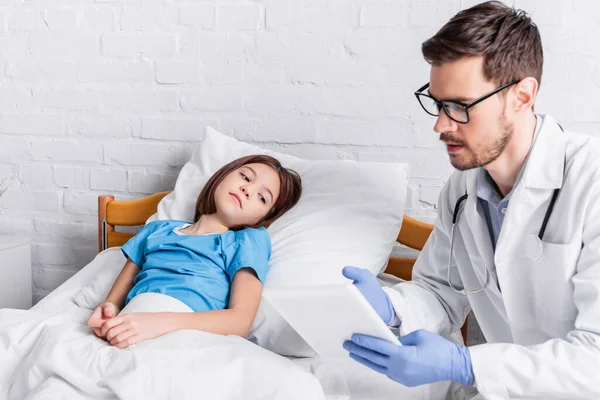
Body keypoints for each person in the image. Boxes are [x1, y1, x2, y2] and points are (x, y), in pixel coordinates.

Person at [341, 1, 600, 398]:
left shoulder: (591, 179)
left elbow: (594, 360)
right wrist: (391, 307)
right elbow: (439, 294)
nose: (441, 125)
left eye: (460, 107)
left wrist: (465, 365)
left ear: (522, 95)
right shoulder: (462, 192)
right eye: (438, 103)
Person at [87, 154, 302, 349]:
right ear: (223, 175)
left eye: (262, 198)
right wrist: (108, 310)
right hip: (129, 330)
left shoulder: (246, 240)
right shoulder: (157, 229)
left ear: (262, 219)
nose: (247, 190)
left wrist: (159, 322)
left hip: (187, 336)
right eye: (246, 177)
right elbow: (114, 301)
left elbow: (240, 321)